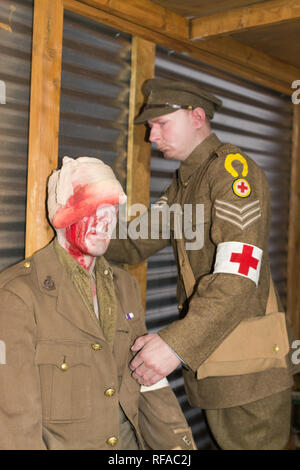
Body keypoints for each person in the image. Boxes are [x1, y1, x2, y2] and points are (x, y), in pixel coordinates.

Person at [106, 78, 300, 450]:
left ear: (197, 117)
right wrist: (85, 235)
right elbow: (134, 243)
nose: (152, 136)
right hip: (216, 365)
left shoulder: (231, 173)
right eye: (150, 127)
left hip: (250, 370)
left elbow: (238, 276)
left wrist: (174, 345)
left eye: (162, 123)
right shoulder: (182, 186)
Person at [0, 156, 196, 450]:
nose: (106, 221)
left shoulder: (124, 286)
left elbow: (146, 383)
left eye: (112, 210)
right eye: (93, 209)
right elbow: (16, 422)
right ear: (64, 213)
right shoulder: (18, 295)